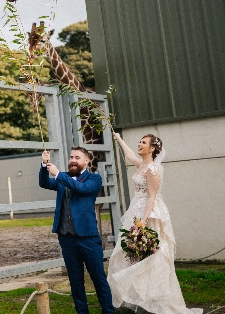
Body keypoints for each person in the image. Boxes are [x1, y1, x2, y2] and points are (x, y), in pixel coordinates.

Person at [109, 133, 202, 313]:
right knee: (132, 253)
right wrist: (119, 139)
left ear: (152, 148)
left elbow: (152, 195)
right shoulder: (142, 166)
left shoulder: (152, 169)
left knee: (152, 255)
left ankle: (156, 300)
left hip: (149, 212)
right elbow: (129, 156)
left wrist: (143, 221)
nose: (139, 144)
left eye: (143, 143)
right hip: (136, 209)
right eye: (139, 141)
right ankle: (141, 298)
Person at [39, 147, 115, 314]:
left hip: (88, 238)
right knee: (75, 281)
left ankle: (108, 311)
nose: (73, 160)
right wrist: (45, 166)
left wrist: (58, 174)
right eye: (71, 157)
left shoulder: (94, 179)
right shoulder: (63, 178)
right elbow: (44, 183)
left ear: (86, 161)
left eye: (77, 157)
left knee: (98, 278)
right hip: (67, 238)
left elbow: (81, 189)